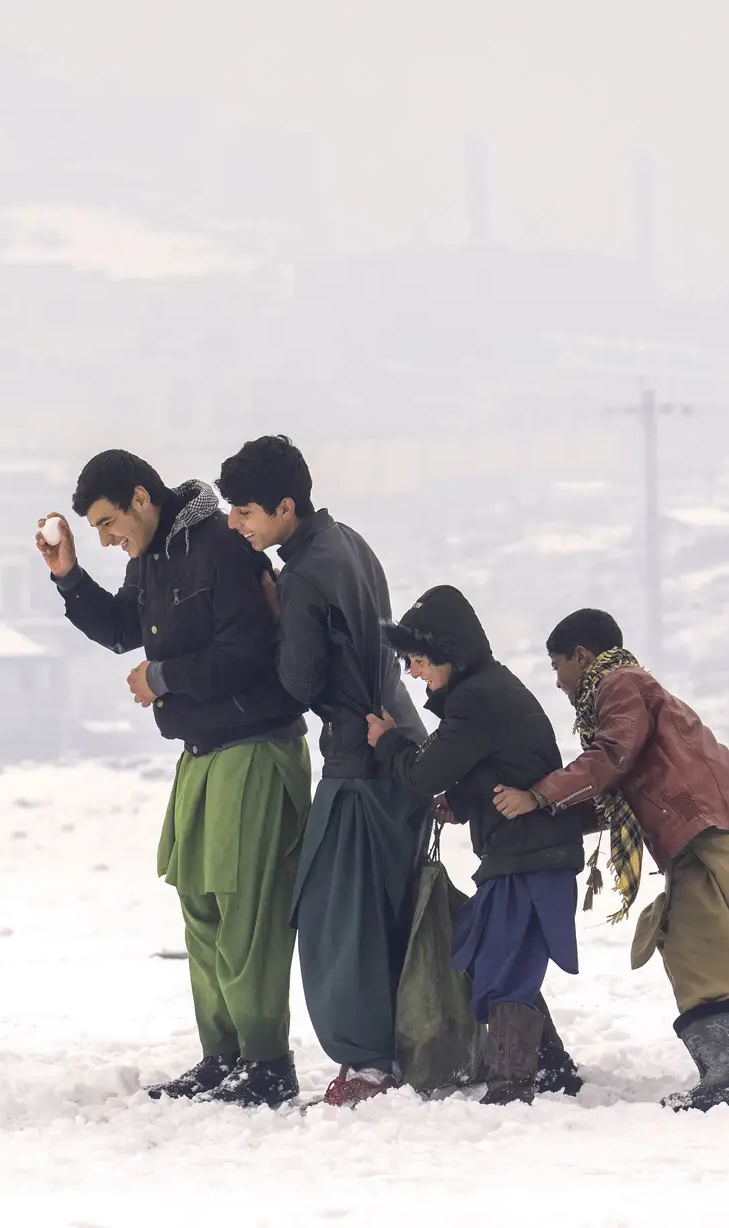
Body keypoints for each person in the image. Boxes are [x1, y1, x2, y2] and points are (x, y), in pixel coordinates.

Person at [38, 450, 311, 1108]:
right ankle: (223, 1057)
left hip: (255, 746)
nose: (107, 539)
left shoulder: (220, 545)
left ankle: (267, 1063)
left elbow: (246, 652)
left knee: (244, 908)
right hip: (202, 748)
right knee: (200, 901)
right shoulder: (153, 557)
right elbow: (123, 631)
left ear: (140, 498)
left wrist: (161, 678)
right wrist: (70, 576)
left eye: (107, 524)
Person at [216, 435, 428, 1107]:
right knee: (383, 912)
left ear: (284, 506)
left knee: (338, 920)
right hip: (399, 742)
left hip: (354, 759)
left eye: (245, 512)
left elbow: (300, 680)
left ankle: (367, 1066)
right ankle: (395, 1053)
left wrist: (273, 616)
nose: (235, 524)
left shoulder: (304, 573)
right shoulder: (350, 542)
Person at [492, 608, 729, 1113]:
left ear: (582, 655)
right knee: (709, 941)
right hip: (711, 825)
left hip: (698, 828)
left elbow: (612, 757)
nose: (558, 683)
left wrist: (537, 795)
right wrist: (549, 813)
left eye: (558, 667)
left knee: (696, 943)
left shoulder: (618, 683)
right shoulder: (638, 687)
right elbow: (621, 784)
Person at [365, 585, 590, 1105]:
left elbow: (425, 772)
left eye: (418, 660)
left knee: (501, 964)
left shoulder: (473, 699)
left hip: (528, 855)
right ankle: (551, 1067)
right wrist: (463, 804)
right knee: (497, 953)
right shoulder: (486, 691)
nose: (414, 672)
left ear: (449, 653)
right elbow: (493, 764)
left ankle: (515, 1080)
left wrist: (389, 741)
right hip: (526, 852)